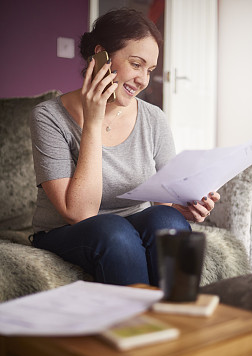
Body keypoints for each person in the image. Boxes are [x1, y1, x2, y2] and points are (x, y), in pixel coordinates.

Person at [30, 8, 220, 287]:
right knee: (114, 230)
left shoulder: (153, 118)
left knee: (168, 219)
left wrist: (186, 208)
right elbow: (79, 214)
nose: (143, 80)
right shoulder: (48, 117)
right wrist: (92, 122)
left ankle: (180, 321)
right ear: (101, 56)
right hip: (67, 233)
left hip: (132, 223)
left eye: (150, 70)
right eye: (135, 64)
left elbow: (164, 202)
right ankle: (137, 328)